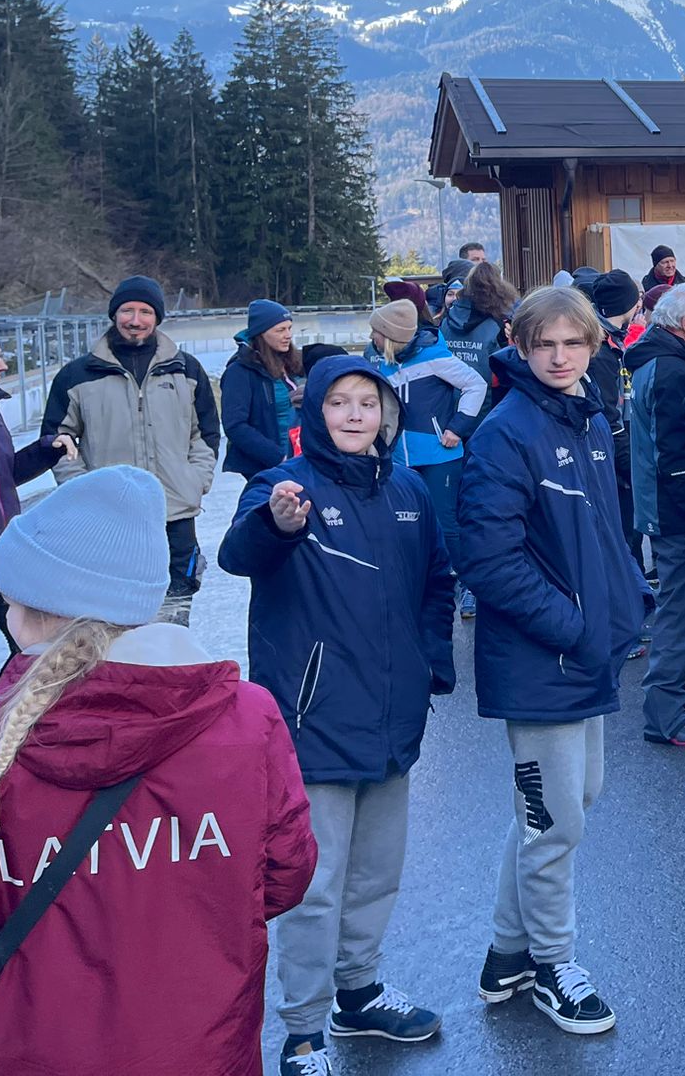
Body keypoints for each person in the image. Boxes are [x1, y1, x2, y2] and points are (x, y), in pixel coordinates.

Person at [0, 466, 316, 1074]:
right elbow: (286, 875)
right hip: (203, 1042)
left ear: (36, 608)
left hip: (32, 1044)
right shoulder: (245, 716)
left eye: (9, 596)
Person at [219, 355, 455, 1073]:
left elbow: (437, 582)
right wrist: (278, 525)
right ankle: (302, 1030)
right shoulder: (283, 486)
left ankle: (359, 992)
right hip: (312, 719)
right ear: (315, 412)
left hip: (393, 718)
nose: (355, 414)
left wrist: (430, 666)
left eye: (368, 403)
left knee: (377, 874)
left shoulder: (407, 489)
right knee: (314, 886)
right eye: (339, 402)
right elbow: (237, 553)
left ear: (387, 415)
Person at [456, 286, 651, 1037]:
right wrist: (573, 628)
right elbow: (489, 560)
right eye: (546, 344)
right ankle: (552, 965)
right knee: (553, 822)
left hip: (584, 651)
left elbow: (604, 531)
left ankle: (508, 952)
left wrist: (626, 600)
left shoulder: (588, 415)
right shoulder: (506, 433)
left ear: (593, 346)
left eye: (573, 343)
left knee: (568, 805)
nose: (560, 356)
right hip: (543, 659)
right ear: (522, 346)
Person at [41, 275, 218, 621]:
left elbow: (206, 434)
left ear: (157, 317)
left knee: (174, 617)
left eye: (145, 312)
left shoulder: (186, 370)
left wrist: (194, 479)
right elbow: (57, 440)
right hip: (111, 518)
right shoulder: (78, 375)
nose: (135, 320)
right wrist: (86, 490)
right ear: (114, 314)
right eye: (127, 311)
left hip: (174, 514)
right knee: (115, 619)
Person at [0, 327, 74, 704]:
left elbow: (2, 474)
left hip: (2, 559)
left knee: (34, 652)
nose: (3, 366)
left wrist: (47, 450)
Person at [627, 283, 685, 747]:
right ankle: (665, 717)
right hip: (675, 514)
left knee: (683, 610)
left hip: (662, 507)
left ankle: (675, 707)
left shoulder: (656, 360)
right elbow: (677, 458)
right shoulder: (672, 371)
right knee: (680, 615)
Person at [367, 298, 485, 574]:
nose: (371, 336)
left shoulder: (434, 357)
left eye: (375, 331)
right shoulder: (384, 364)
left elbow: (475, 384)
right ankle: (425, 575)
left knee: (445, 522)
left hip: (439, 456)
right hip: (400, 458)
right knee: (410, 520)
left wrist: (457, 427)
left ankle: (462, 579)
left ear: (389, 335)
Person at [586, 269, 645, 539]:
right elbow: (610, 417)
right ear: (626, 304)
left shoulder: (613, 341)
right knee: (624, 534)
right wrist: (629, 467)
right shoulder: (601, 351)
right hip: (613, 458)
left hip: (617, 451)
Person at [221, 299, 302, 479]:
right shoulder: (239, 371)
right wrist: (277, 457)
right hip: (268, 467)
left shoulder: (292, 363)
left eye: (289, 328)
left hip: (299, 460)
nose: (288, 335)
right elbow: (235, 425)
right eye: (280, 330)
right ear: (261, 333)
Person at [442, 260, 518, 387]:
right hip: (486, 395)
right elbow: (508, 367)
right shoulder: (498, 325)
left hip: (449, 394)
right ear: (500, 289)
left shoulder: (446, 321)